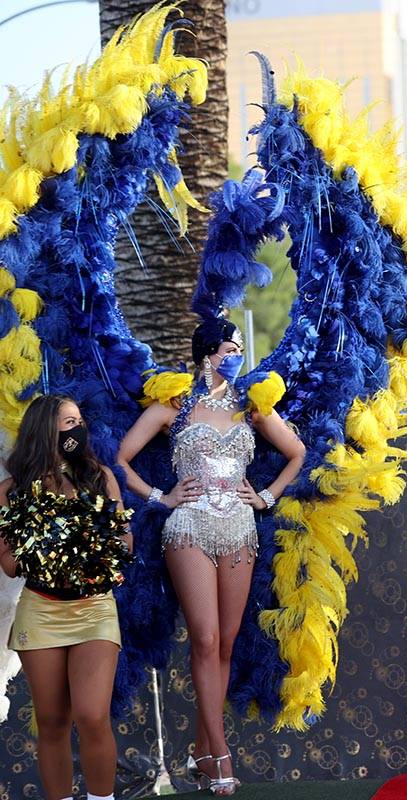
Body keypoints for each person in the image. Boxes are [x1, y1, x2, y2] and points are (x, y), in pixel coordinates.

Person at [116, 320, 306, 795]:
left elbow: (298, 453)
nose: (236, 355)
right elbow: (121, 459)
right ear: (205, 353)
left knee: (225, 641)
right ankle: (220, 752)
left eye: (240, 348)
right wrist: (162, 495)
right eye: (228, 348)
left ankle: (203, 749)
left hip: (240, 527)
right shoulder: (174, 405)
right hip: (189, 527)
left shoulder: (252, 407)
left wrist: (264, 495)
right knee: (203, 637)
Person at [0, 396, 132, 800]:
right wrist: (43, 546)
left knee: (92, 715)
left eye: (79, 421)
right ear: (44, 430)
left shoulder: (99, 477)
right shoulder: (11, 490)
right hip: (41, 610)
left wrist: (99, 545)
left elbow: (125, 541)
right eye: (67, 422)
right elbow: (7, 564)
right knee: (53, 721)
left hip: (94, 608)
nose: (77, 429)